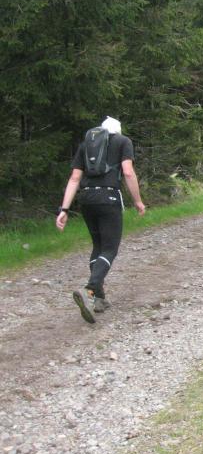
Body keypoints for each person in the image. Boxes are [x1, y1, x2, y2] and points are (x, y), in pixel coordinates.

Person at [56, 116, 146, 324]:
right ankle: (89, 290)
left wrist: (64, 209)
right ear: (118, 131)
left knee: (98, 246)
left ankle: (99, 298)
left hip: (86, 199)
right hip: (109, 198)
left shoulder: (86, 145)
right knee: (110, 248)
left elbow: (75, 178)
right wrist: (138, 201)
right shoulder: (123, 142)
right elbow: (128, 172)